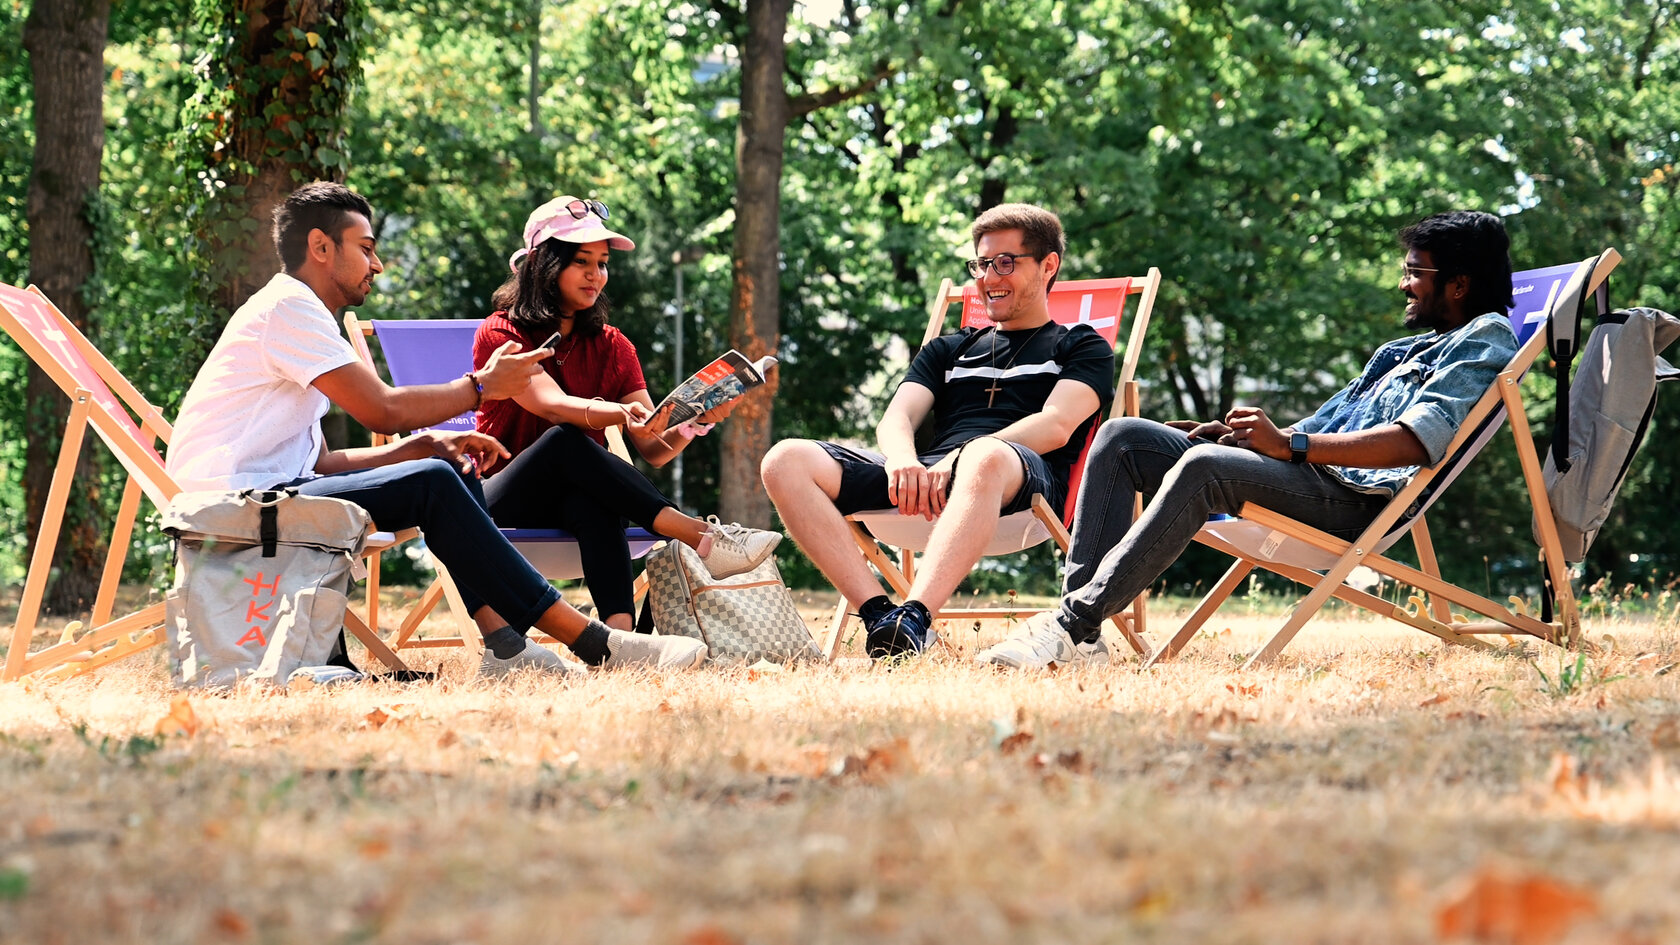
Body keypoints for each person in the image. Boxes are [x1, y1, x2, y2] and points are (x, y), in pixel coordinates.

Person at [166, 181, 709, 679]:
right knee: (432, 479)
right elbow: (380, 409)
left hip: (275, 494)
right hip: (236, 507)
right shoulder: (289, 308)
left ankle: (506, 649)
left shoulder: (301, 317)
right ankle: (595, 642)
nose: (376, 265)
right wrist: (479, 387)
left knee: (441, 465)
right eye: (367, 248)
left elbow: (323, 465)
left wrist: (421, 444)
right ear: (321, 247)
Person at [975, 210, 1520, 670]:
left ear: (1459, 284)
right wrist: (1252, 441)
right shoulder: (1404, 349)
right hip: (1312, 476)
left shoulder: (1483, 339)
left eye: (1414, 272)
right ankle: (1087, 640)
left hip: (1356, 502)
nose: (1404, 283)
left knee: (1208, 467)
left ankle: (1071, 623)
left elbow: (1413, 443)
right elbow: (1323, 428)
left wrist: (1290, 447)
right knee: (1123, 437)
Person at [761, 203, 1115, 659]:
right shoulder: (951, 348)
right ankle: (883, 620)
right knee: (784, 460)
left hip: (1020, 488)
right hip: (928, 481)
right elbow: (896, 419)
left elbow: (1058, 425)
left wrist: (964, 455)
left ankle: (917, 612)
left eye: (1006, 262)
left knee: (985, 454)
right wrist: (904, 460)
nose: (989, 277)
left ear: (1048, 266)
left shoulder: (1082, 345)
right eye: (981, 264)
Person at [471, 195, 780, 630]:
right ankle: (699, 536)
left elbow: (652, 444)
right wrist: (616, 411)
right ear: (543, 264)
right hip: (499, 498)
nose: (596, 275)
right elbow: (549, 404)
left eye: (602, 263)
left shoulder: (613, 345)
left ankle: (620, 639)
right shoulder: (502, 332)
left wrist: (699, 419)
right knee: (565, 439)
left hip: (572, 499)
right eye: (582, 261)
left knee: (595, 497)